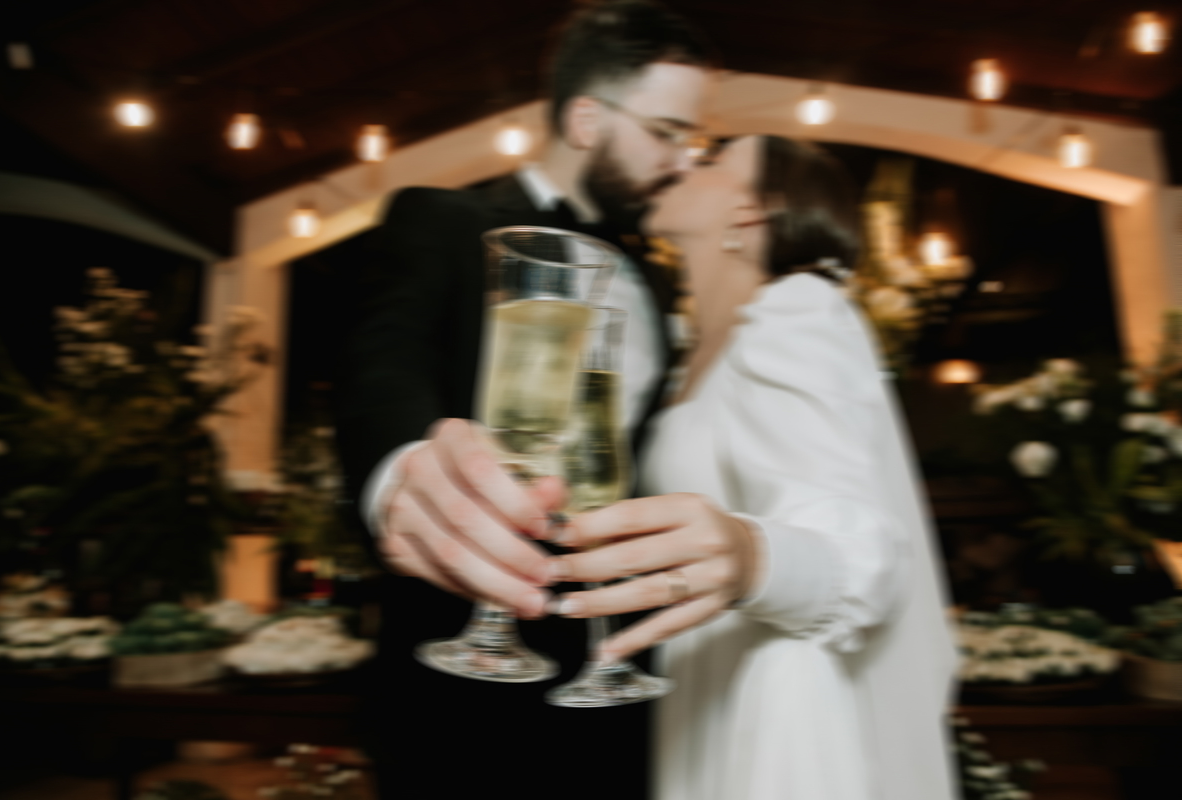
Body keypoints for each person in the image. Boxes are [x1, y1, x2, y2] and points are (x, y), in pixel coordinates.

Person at [334, 2, 713, 796]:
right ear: (585, 119)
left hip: (617, 685)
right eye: (666, 132)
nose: (682, 160)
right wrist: (404, 481)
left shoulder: (653, 278)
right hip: (460, 694)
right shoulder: (442, 221)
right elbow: (380, 371)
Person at [547, 136, 959, 799]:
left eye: (712, 160)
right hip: (699, 685)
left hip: (779, 715)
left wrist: (753, 557)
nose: (684, 161)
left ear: (750, 210)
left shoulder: (798, 310)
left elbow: (863, 547)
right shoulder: (690, 349)